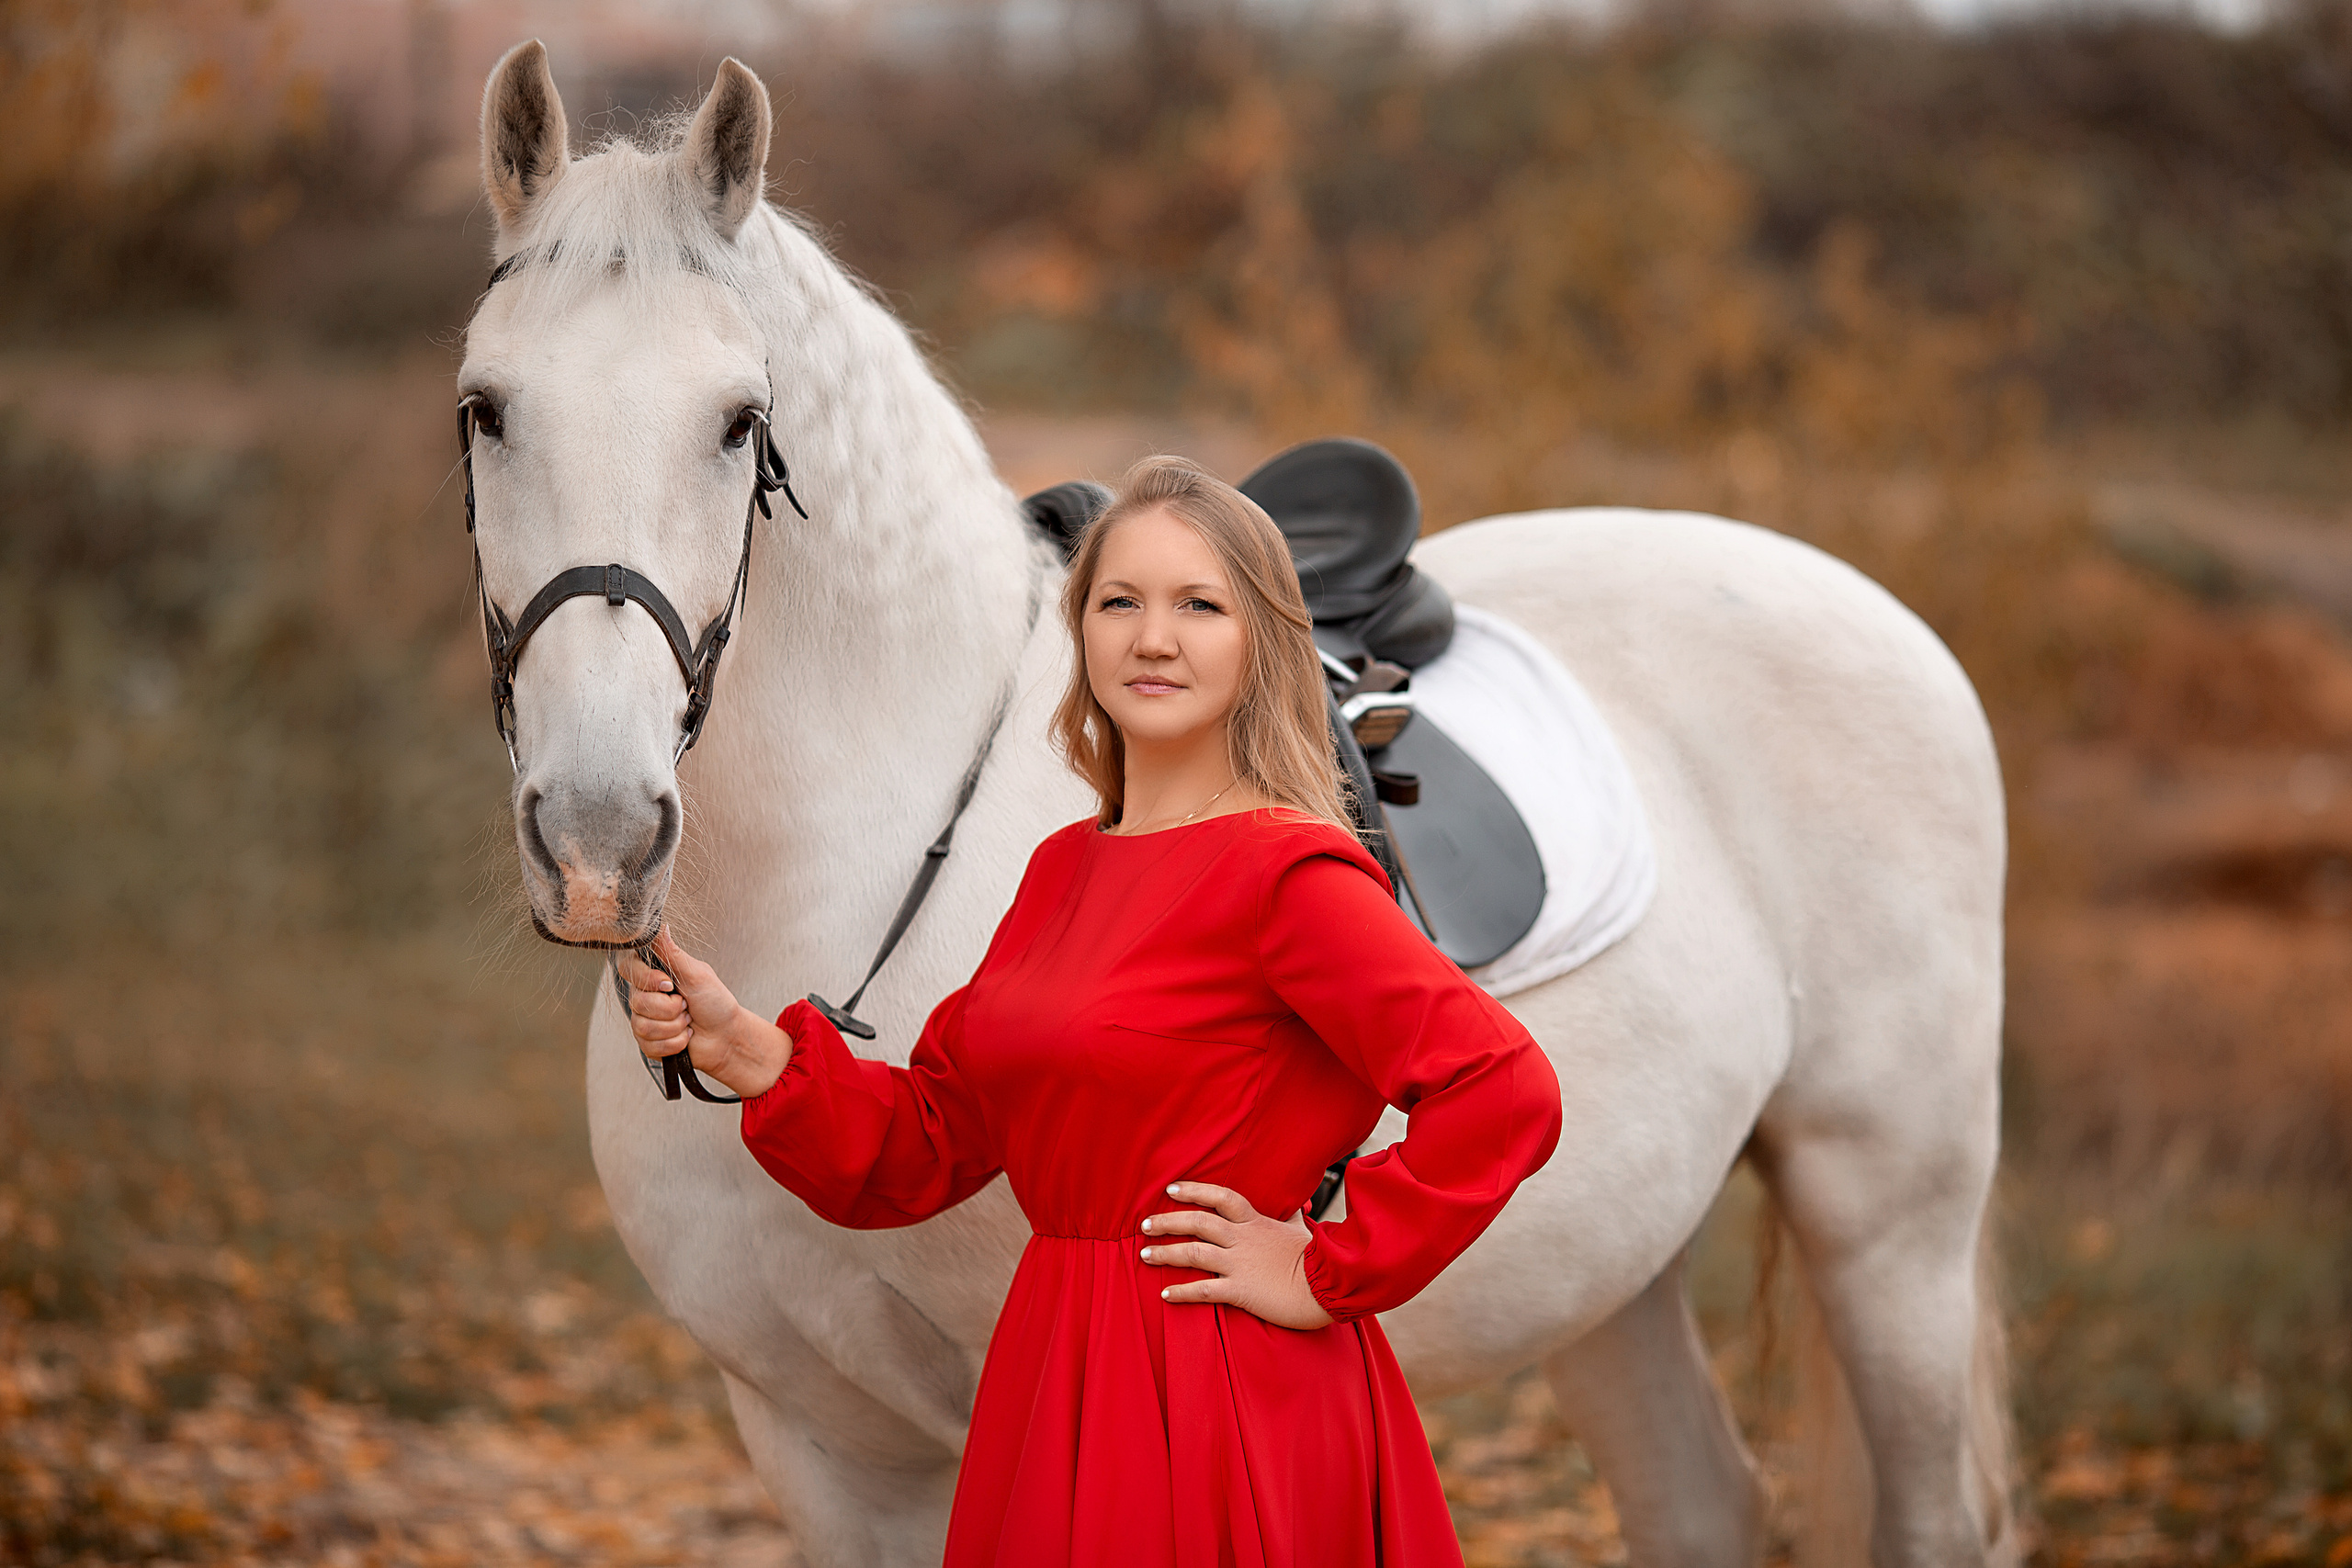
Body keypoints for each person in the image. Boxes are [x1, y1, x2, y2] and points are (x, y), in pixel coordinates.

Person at [617, 456, 1564, 1568]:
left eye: (1198, 606)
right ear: (1083, 632)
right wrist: (755, 1053)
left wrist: (1321, 1269)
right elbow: (935, 1137)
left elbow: (1502, 1088)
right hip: (1056, 1369)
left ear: (1260, 641)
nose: (1151, 638)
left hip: (1220, 1387)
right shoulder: (1063, 869)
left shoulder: (1289, 875)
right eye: (1120, 602)